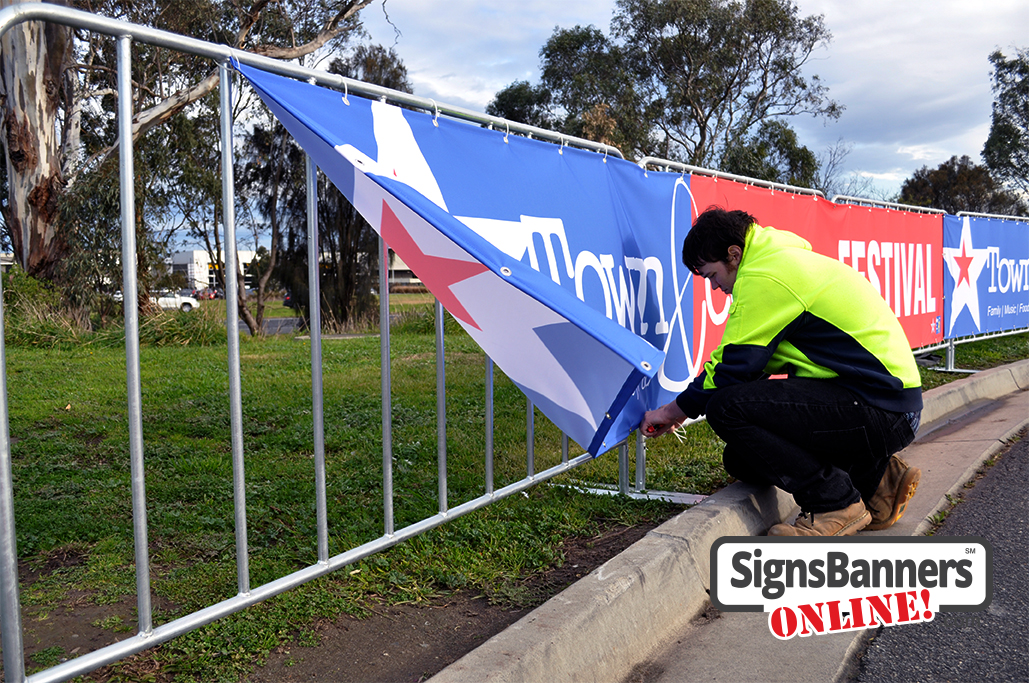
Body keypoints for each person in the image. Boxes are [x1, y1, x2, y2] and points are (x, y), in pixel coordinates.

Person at [640, 207, 922, 536]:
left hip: (880, 409)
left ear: (734, 255)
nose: (715, 287)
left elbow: (733, 366)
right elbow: (754, 366)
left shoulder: (765, 275)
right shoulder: (779, 258)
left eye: (712, 275)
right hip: (889, 406)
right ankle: (877, 481)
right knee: (742, 458)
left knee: (725, 408)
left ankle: (835, 503)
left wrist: (673, 412)